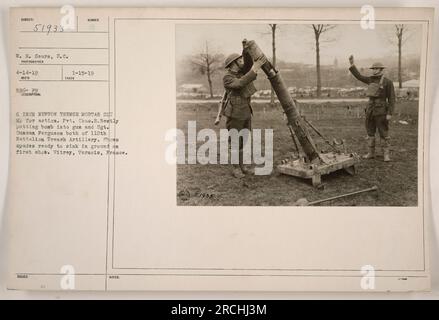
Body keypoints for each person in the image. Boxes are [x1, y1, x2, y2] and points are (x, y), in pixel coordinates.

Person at [216, 41, 264, 178]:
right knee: (235, 141)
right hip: (235, 114)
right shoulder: (228, 77)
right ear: (233, 64)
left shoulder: (241, 72)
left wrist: (245, 50)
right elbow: (240, 83)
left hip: (246, 112)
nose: (242, 61)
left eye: (241, 59)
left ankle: (242, 167)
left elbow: (248, 63)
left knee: (243, 140)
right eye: (240, 60)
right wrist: (254, 69)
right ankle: (236, 168)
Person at [348, 55, 396, 162]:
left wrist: (390, 113)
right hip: (370, 110)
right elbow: (359, 76)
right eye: (373, 68)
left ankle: (386, 155)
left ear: (381, 69)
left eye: (376, 68)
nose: (374, 70)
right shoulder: (370, 80)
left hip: (382, 111)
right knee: (370, 132)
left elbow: (392, 99)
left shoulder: (388, 82)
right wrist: (352, 65)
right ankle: (371, 153)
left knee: (383, 132)